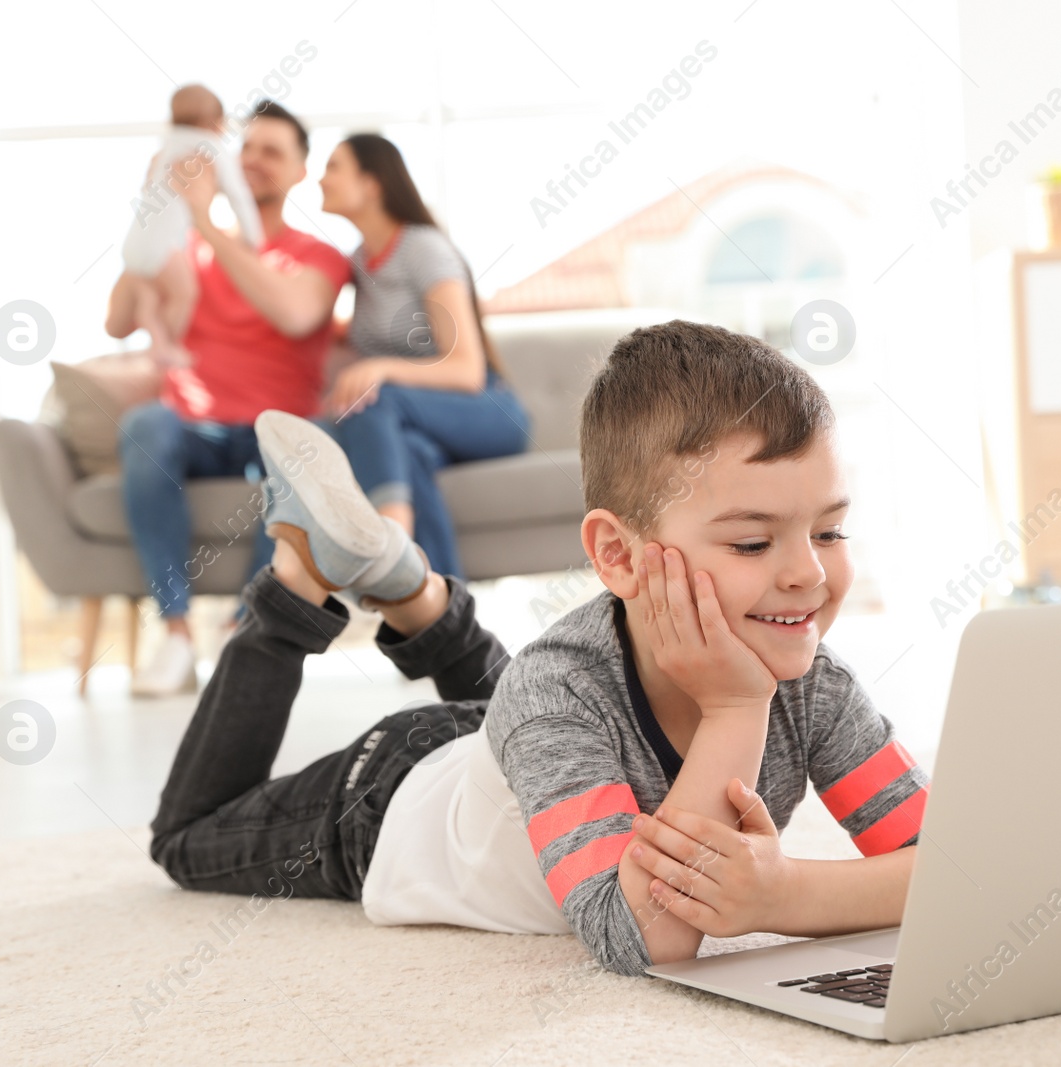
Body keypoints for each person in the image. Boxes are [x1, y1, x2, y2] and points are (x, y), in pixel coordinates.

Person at [148, 321, 928, 976]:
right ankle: (303, 572)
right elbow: (645, 935)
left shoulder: (813, 682)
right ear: (618, 557)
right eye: (755, 541)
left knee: (522, 706)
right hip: (387, 799)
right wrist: (734, 706)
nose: (810, 573)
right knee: (187, 839)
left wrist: (785, 893)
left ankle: (403, 581)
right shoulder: (563, 687)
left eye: (829, 529)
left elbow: (955, 864)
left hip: (521, 750)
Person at [105, 101, 349, 697]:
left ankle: (247, 631)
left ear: (300, 172)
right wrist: (153, 210)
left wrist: (208, 224)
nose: (257, 161)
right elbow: (116, 322)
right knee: (144, 426)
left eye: (274, 152)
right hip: (194, 430)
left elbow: (294, 315)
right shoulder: (185, 250)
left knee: (299, 453)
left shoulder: (319, 257)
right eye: (248, 149)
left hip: (273, 431)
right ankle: (177, 637)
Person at [316, 133, 529, 580]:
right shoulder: (359, 261)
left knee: (376, 396)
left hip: (488, 411)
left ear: (371, 184)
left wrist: (379, 369)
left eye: (334, 166)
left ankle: (390, 542)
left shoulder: (423, 248)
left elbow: (467, 370)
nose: (321, 179)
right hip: (419, 426)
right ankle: (440, 611)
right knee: (405, 450)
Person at [118, 84, 264, 370]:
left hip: (134, 244)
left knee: (148, 299)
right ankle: (167, 347)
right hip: (163, 248)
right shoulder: (212, 148)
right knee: (184, 293)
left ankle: (156, 343)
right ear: (216, 123)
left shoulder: (166, 147)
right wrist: (254, 240)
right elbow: (240, 196)